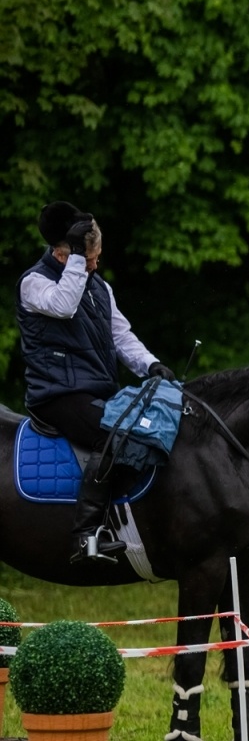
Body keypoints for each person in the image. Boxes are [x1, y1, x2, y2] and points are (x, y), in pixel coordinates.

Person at [20, 202, 176, 563]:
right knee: (115, 437)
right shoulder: (34, 283)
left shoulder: (98, 286)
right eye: (90, 258)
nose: (95, 264)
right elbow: (63, 306)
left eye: (95, 257)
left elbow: (121, 336)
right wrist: (78, 259)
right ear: (63, 255)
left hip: (93, 391)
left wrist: (151, 365)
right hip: (56, 394)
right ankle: (85, 537)